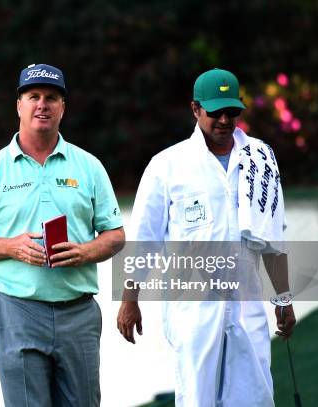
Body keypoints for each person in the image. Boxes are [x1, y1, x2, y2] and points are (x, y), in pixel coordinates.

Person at [116, 68, 296, 406]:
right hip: (193, 310)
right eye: (215, 112)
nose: (225, 120)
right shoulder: (167, 165)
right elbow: (145, 239)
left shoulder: (260, 160)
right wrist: (130, 299)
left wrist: (283, 298)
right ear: (195, 109)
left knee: (256, 399)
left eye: (232, 112)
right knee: (198, 399)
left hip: (247, 304)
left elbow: (273, 235)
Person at [0, 63, 125, 407]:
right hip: (17, 311)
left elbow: (116, 234)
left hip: (77, 312)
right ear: (19, 105)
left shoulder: (88, 166)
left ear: (63, 107)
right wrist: (10, 247)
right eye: (33, 96)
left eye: (51, 97)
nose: (42, 104)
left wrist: (86, 252)